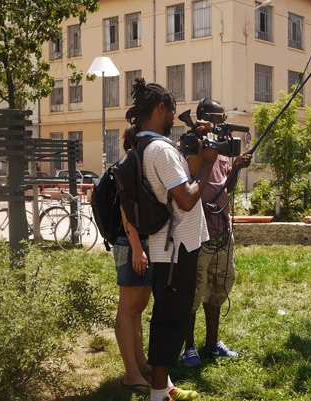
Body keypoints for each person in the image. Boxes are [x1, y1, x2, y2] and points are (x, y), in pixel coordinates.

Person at [125, 77, 218, 401]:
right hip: (176, 247)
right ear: (160, 109)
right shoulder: (160, 151)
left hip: (172, 245)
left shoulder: (148, 146)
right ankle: (157, 394)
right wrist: (207, 165)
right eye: (172, 112)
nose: (174, 118)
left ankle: (163, 387)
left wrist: (195, 143)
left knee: (170, 316)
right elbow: (187, 199)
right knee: (170, 320)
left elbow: (180, 179)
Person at [181, 99, 252, 367]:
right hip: (198, 233)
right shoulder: (188, 147)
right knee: (193, 292)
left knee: (218, 287)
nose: (222, 123)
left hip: (223, 230)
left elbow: (225, 189)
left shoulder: (222, 150)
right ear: (200, 119)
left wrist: (236, 168)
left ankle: (212, 344)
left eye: (224, 118)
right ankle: (189, 348)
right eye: (217, 118)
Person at [114, 127, 152, 394]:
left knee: (137, 307)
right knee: (128, 309)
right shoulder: (128, 167)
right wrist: (137, 247)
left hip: (141, 243)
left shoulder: (140, 166)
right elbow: (125, 210)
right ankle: (131, 373)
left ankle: (140, 363)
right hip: (130, 244)